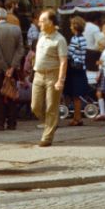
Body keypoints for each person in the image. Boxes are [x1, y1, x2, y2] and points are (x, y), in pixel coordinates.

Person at [30, 9, 68, 147]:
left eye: (42, 20)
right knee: (35, 106)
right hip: (38, 75)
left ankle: (47, 137)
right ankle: (51, 123)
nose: (39, 23)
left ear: (51, 22)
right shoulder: (41, 35)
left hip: (52, 75)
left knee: (51, 106)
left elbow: (63, 61)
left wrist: (60, 80)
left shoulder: (60, 40)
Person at [0, 7, 25, 131]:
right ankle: (12, 122)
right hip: (12, 69)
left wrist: (5, 68)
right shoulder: (16, 29)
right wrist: (12, 67)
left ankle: (0, 123)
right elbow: (21, 49)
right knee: (12, 95)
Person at [65, 16, 92, 127]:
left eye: (72, 25)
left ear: (75, 26)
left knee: (75, 95)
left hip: (75, 68)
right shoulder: (82, 38)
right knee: (77, 95)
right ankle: (77, 117)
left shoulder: (75, 39)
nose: (70, 27)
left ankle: (77, 118)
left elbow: (70, 53)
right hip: (81, 68)